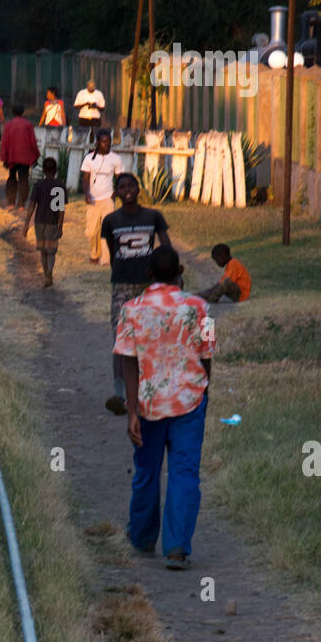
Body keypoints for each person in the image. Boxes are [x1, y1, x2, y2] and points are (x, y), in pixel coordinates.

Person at [114, 245, 215, 570]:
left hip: (147, 403)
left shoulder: (131, 309)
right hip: (190, 399)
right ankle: (176, 548)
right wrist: (203, 390)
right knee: (185, 473)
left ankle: (142, 539)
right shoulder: (200, 307)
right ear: (180, 274)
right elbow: (207, 354)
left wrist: (131, 410)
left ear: (149, 275)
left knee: (146, 471)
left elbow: (127, 359)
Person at [101, 170, 172, 414]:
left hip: (149, 287)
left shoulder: (154, 216)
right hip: (121, 285)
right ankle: (119, 394)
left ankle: (150, 390)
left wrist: (169, 277)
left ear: (138, 189)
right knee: (121, 339)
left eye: (131, 185)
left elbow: (167, 249)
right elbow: (113, 254)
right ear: (116, 192)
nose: (127, 189)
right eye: (122, 186)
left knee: (151, 336)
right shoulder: (110, 221)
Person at [22, 155, 67, 286]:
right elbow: (61, 209)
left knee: (42, 250)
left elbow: (31, 206)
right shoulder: (60, 186)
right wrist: (60, 226)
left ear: (43, 171)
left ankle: (46, 272)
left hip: (39, 222)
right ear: (56, 170)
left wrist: (26, 224)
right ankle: (49, 273)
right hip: (52, 222)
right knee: (51, 251)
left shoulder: (38, 185)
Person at [80, 128, 122, 264]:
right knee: (91, 232)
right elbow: (85, 179)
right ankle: (95, 253)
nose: (107, 144)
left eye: (109, 142)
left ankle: (106, 259)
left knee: (107, 229)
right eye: (104, 142)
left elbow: (120, 179)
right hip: (93, 200)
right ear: (98, 142)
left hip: (108, 199)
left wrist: (114, 195)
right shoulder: (88, 158)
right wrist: (87, 194)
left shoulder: (116, 158)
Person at [0, 103, 40, 210]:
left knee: (12, 178)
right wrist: (36, 156)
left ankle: (11, 203)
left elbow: (5, 142)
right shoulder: (28, 125)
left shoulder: (8, 125)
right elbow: (33, 143)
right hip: (25, 157)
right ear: (23, 112)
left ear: (13, 112)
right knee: (23, 179)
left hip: (12, 157)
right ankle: (22, 204)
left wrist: (4, 158)